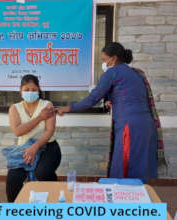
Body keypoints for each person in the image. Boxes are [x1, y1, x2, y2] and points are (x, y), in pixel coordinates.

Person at [57, 42, 165, 183]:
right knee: (140, 167)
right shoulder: (136, 74)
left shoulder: (112, 73)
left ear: (113, 59)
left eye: (104, 60)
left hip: (130, 127)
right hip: (146, 126)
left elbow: (92, 99)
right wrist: (110, 100)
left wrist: (68, 108)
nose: (104, 64)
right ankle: (138, 200)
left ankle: (124, 202)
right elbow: (127, 94)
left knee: (125, 168)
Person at [6, 74, 62, 202]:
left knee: (43, 173)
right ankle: (13, 210)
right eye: (26, 90)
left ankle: (55, 202)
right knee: (13, 178)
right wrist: (40, 118)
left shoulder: (47, 105)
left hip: (48, 146)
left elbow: (49, 131)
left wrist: (35, 146)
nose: (30, 92)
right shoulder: (15, 108)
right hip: (24, 149)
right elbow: (17, 131)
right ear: (20, 90)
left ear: (38, 90)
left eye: (34, 90)